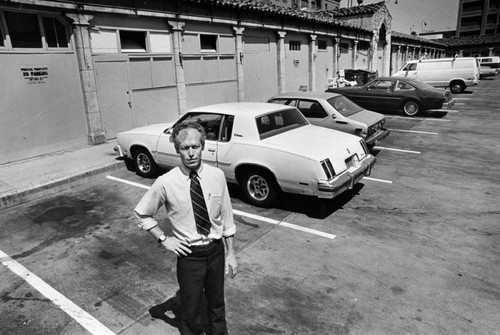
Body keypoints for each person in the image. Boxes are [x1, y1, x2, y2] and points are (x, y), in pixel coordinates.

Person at [133, 121, 237, 335]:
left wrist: (231, 253)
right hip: (190, 255)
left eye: (195, 146)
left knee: (217, 304)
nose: (191, 153)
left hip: (216, 250)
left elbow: (226, 216)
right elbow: (142, 213)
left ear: (202, 145)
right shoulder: (166, 182)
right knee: (191, 309)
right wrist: (164, 239)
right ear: (177, 149)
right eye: (184, 148)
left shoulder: (216, 176)